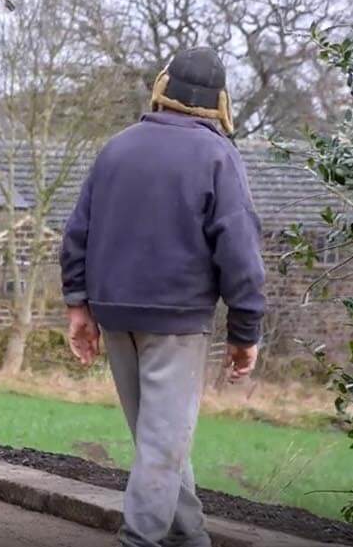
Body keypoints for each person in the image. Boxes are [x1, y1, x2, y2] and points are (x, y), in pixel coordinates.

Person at [60, 47, 266, 547]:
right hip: (176, 321)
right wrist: (245, 332)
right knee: (161, 444)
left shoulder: (118, 147)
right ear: (219, 102)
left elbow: (77, 232)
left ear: (163, 87)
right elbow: (240, 251)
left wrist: (78, 305)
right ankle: (138, 541)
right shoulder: (219, 155)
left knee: (158, 441)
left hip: (114, 314)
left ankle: (188, 537)